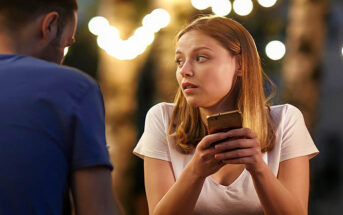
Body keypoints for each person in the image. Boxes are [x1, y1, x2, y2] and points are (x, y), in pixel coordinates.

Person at [134, 15, 319, 215]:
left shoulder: (285, 120)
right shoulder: (163, 119)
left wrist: (258, 168)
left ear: (240, 64)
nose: (184, 70)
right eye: (179, 61)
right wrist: (196, 171)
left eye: (201, 58)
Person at [0, 0, 121, 214]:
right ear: (50, 25)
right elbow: (98, 209)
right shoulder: (74, 89)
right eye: (66, 45)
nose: (63, 58)